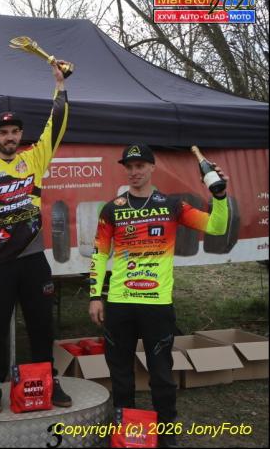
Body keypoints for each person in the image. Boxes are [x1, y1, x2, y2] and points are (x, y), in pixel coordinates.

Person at [88, 143, 228, 447]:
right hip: (120, 303)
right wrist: (95, 296)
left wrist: (219, 197)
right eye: (129, 167)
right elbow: (99, 254)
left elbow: (217, 227)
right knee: (120, 373)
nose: (134, 172)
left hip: (157, 304)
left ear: (152, 167)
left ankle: (166, 433)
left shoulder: (172, 205)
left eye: (140, 166)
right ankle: (124, 431)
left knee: (162, 374)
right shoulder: (112, 209)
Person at [0, 60, 72, 413]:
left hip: (33, 259)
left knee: (42, 326)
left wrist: (60, 86)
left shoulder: (35, 159)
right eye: (4, 132)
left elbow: (57, 125)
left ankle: (48, 379)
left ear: (21, 135)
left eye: (15, 132)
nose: (10, 137)